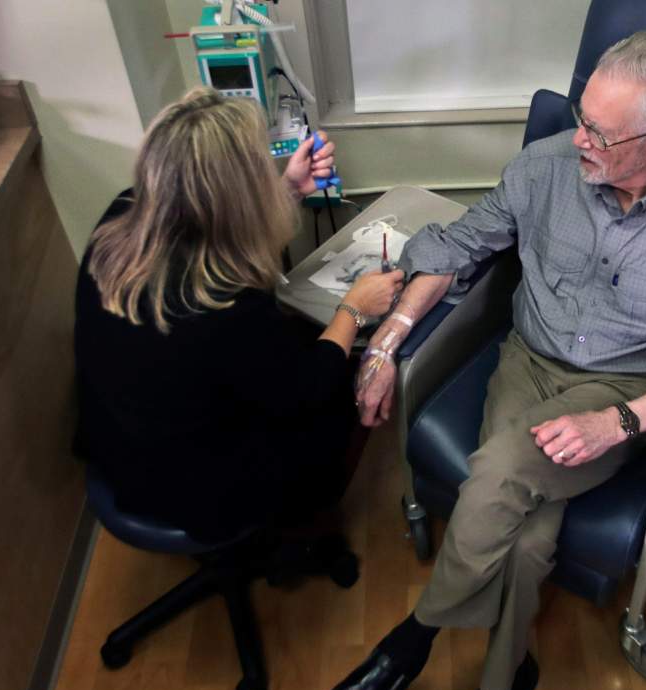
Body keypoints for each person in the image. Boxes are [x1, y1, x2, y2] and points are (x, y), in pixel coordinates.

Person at [305, 32, 646, 690]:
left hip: (621, 392)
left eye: (599, 131)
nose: (577, 137)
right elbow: (456, 245)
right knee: (525, 542)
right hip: (528, 361)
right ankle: (500, 688)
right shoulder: (548, 165)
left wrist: (617, 424)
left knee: (495, 479)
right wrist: (387, 343)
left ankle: (408, 645)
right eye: (581, 116)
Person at [74, 87, 405, 556]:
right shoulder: (220, 309)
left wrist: (286, 188)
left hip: (118, 453)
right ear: (237, 194)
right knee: (348, 383)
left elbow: (212, 228)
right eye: (257, 169)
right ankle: (304, 522)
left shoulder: (122, 217)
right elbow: (304, 389)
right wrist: (354, 306)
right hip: (196, 493)